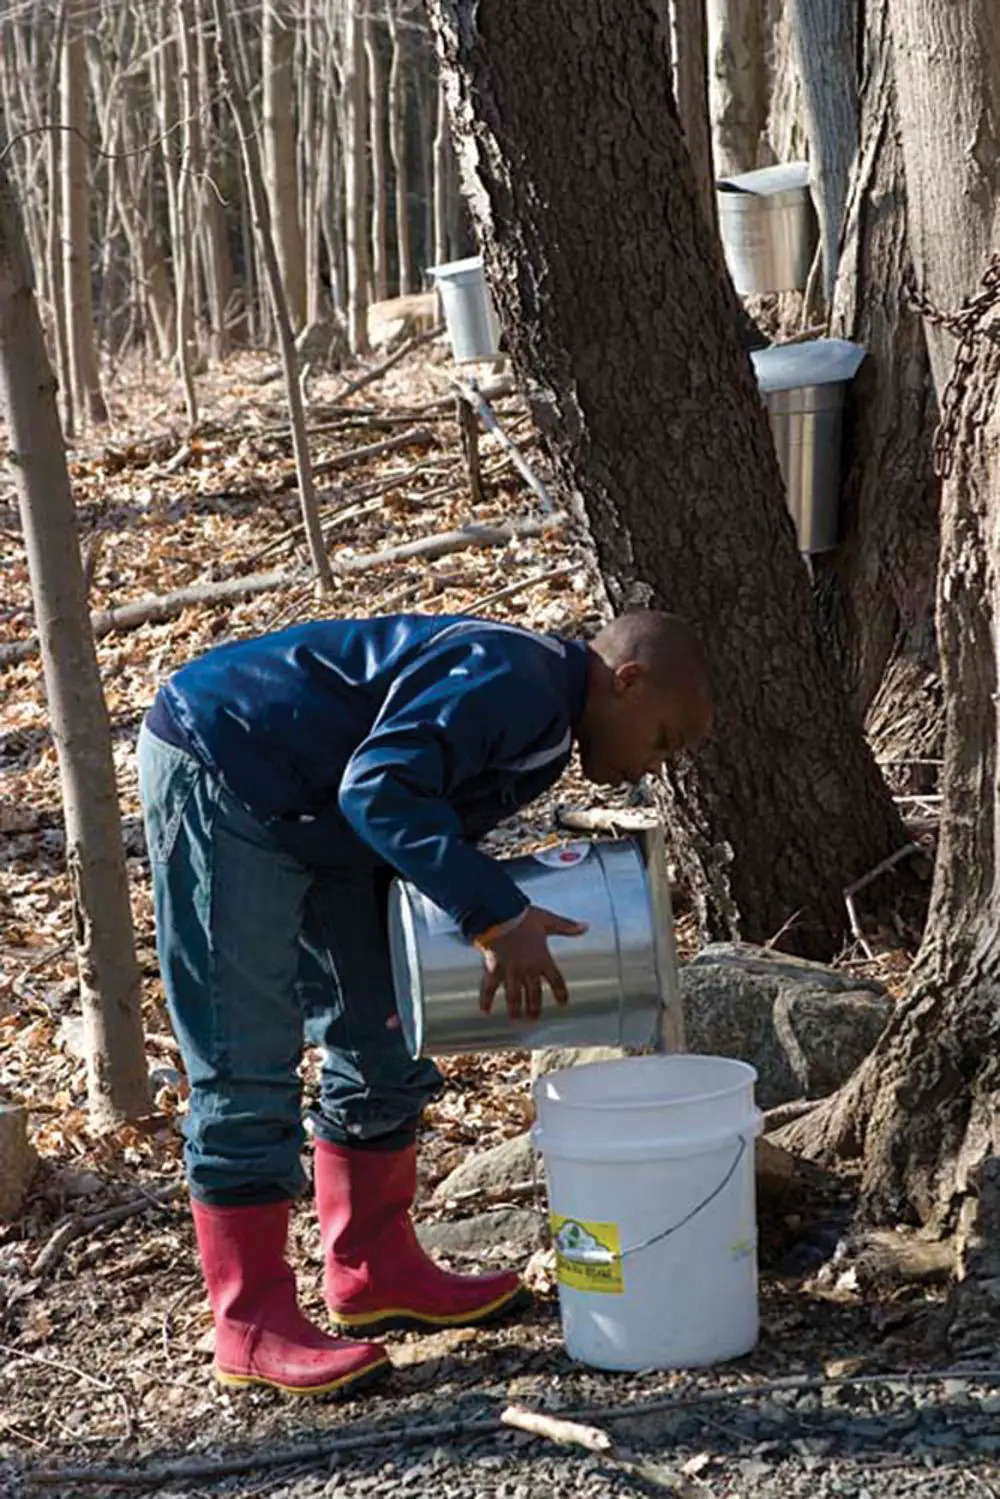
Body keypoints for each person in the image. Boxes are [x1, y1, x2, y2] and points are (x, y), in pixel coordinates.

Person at [137, 609, 712, 1398]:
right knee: (244, 1049)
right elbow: (379, 786)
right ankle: (249, 1323)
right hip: (228, 764)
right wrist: (496, 914)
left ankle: (372, 1267)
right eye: (662, 739)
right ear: (628, 681)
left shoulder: (546, 719)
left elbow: (403, 800)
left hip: (325, 809)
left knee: (387, 1026)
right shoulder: (516, 683)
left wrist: (478, 906)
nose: (652, 766)